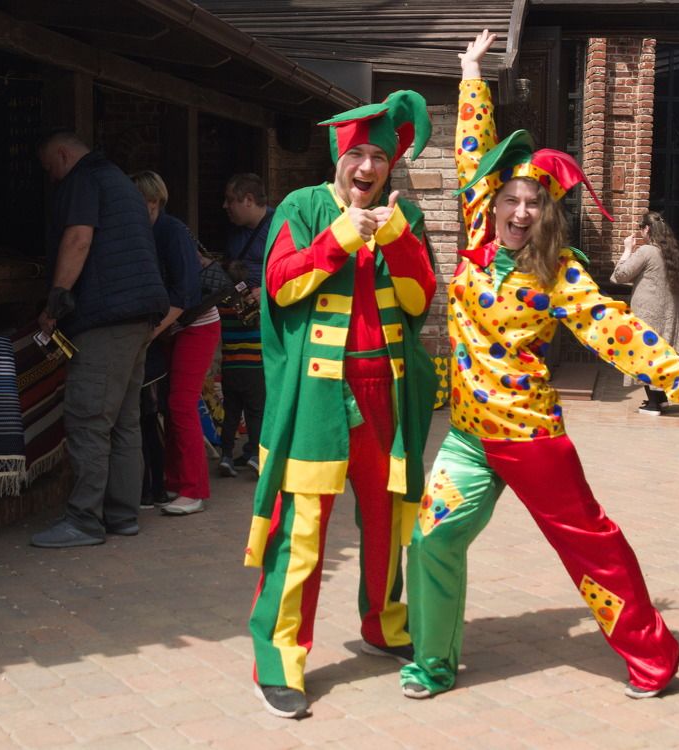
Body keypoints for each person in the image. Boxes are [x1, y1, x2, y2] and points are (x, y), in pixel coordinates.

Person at [399, 29, 679, 702]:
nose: (521, 210)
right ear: (495, 201)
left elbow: (614, 328)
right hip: (467, 437)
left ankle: (653, 659)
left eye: (534, 202)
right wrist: (471, 75)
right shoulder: (476, 232)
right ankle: (432, 664)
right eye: (512, 198)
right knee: (431, 541)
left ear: (546, 212)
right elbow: (472, 154)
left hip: (530, 439)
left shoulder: (558, 273)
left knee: (589, 545)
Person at [243, 90, 438, 719]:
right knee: (301, 532)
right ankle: (279, 657)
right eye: (358, 155)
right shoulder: (302, 207)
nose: (368, 167)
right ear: (339, 158)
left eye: (379, 156)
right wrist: (342, 237)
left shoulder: (404, 216)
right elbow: (281, 285)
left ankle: (384, 623)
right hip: (320, 397)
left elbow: (418, 299)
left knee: (388, 523)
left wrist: (397, 238)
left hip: (386, 396)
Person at [31, 131, 169, 548]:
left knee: (89, 418)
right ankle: (122, 515)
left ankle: (84, 520)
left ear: (62, 155)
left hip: (106, 318)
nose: (51, 178)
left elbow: (78, 239)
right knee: (125, 420)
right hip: (140, 315)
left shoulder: (83, 179)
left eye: (49, 169)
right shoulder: (119, 182)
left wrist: (55, 302)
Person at [132, 171, 220, 516]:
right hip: (175, 328)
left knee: (181, 404)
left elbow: (184, 295)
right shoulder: (151, 231)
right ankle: (175, 481)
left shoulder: (170, 231)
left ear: (152, 201)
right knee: (171, 405)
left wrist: (150, 333)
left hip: (195, 326)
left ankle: (193, 490)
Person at [611, 211, 679, 416]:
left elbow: (620, 275)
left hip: (648, 315)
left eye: (641, 228)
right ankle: (660, 400)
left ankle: (654, 405)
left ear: (647, 229)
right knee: (664, 355)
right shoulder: (678, 252)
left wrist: (627, 249)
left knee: (647, 356)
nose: (641, 232)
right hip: (672, 315)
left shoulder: (647, 251)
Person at [217, 173, 272, 477]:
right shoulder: (234, 233)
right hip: (239, 319)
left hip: (265, 326)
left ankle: (257, 451)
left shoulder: (280, 226)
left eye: (231, 200)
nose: (225, 207)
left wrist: (268, 290)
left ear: (248, 200)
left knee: (257, 399)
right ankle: (250, 452)